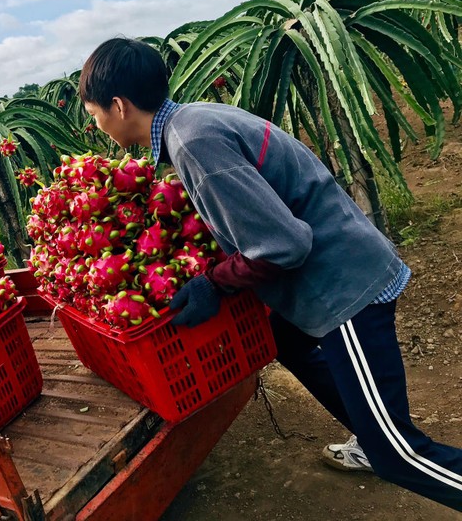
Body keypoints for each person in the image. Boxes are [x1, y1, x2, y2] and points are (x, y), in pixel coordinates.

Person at [78, 36, 462, 512]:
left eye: (95, 114)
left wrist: (214, 281)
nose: (97, 126)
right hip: (337, 270)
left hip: (344, 289)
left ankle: (381, 445)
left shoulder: (193, 142)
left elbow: (285, 244)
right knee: (284, 339)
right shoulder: (192, 119)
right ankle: (370, 433)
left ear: (118, 105)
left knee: (400, 456)